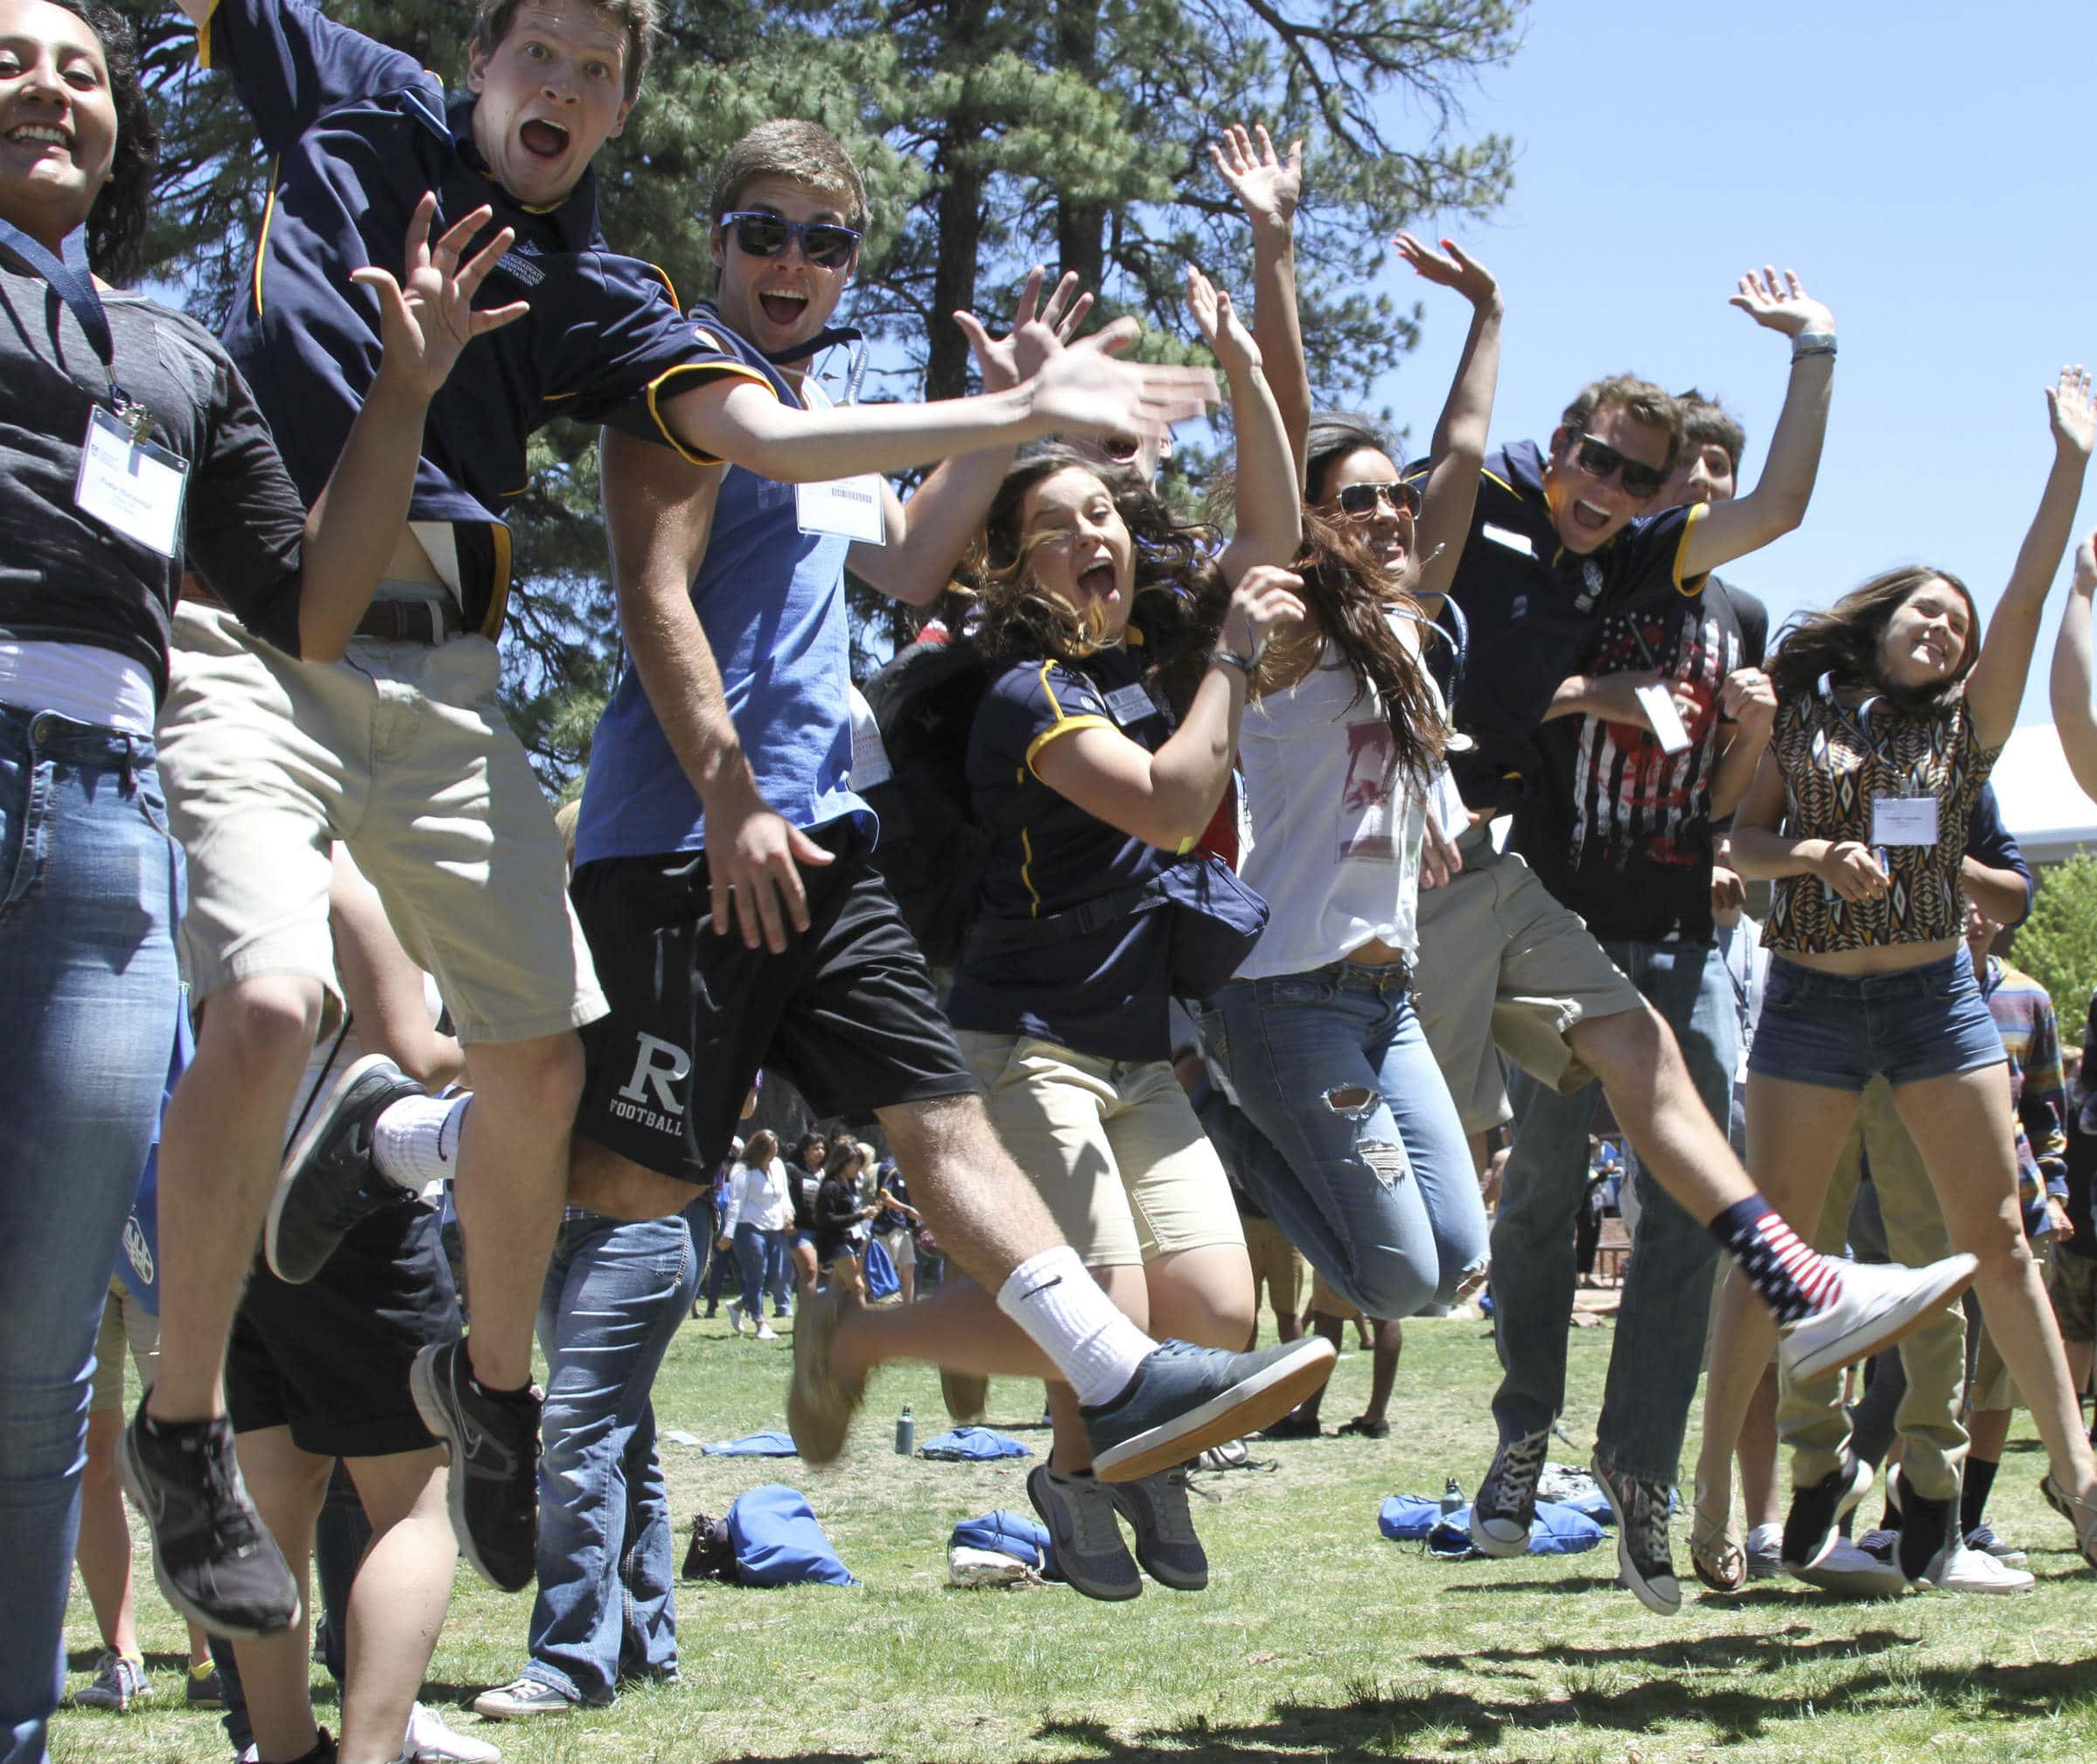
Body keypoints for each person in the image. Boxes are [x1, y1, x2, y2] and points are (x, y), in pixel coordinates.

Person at [141, 0, 1224, 1636]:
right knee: (468, 1096)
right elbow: (657, 589)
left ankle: (1089, 1371)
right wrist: (723, 795)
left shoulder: (608, 304)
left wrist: (1009, 419)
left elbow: (834, 486)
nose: (562, 87)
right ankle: (249, 1341)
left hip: (545, 714)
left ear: (624, 104)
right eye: (542, 52)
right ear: (485, 58)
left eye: (597, 70)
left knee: (696, 1086)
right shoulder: (374, 114)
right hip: (384, 683)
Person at [0, 3, 511, 1752]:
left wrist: (408, 389)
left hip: (96, 837)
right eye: (8, 50)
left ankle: (153, 1476)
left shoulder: (169, 361)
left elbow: (307, 599)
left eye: (82, 63)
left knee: (36, 1359)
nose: (47, 84)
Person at [1379, 270, 1974, 1615]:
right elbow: (1464, 492)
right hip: (1518, 897)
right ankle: (1522, 1428)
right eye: (1602, 459)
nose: (1622, 486)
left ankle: (1639, 1464)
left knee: (1694, 1209)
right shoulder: (1511, 531)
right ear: (1568, 445)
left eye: (1649, 478)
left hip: (1678, 934)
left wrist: (1816, 349)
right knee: (1511, 1212)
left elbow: (1781, 516)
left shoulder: (1686, 583)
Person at [884, 242, 1308, 1598]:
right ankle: (1056, 1465)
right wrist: (1234, 662)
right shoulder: (1022, 696)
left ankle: (1091, 1472)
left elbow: (1268, 539)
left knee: (1220, 1309)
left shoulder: (1145, 662)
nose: (1095, 537)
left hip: (1138, 1045)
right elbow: (1177, 808)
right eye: (1056, 524)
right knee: (1112, 1314)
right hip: (1025, 1042)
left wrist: (1247, 377)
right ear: (1009, 569)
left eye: (1107, 518)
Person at [1700, 364, 2097, 1589]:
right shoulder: (1809, 712)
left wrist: (2070, 464)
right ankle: (1718, 1480)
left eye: (1961, 627)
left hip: (1936, 1004)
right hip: (1810, 1004)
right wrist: (1812, 849)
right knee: (1772, 1245)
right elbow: (1736, 840)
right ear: (1880, 619)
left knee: (1997, 1242)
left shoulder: (1967, 731)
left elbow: (2027, 596)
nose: (1948, 629)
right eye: (1928, 611)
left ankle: (2079, 1486)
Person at [1189, 123, 1498, 1369]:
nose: (1387, 510)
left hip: (1383, 995)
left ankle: (1230, 1115)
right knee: (1391, 1270)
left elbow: (1466, 456)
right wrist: (1275, 241)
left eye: (1394, 494)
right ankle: (1218, 1109)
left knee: (1456, 1262)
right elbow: (1286, 420)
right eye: (1356, 495)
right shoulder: (1293, 626)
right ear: (1311, 518)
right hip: (1285, 994)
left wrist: (1488, 314)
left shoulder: (1406, 626)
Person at [1714, 787, 2037, 1597]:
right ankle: (1820, 1474)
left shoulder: (1947, 757)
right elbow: (1741, 842)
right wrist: (1814, 853)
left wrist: (1941, 862)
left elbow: (2016, 892)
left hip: (1921, 1029)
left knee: (1938, 1263)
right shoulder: (1811, 744)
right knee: (1797, 1263)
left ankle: (1932, 1496)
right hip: (1813, 1022)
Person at [68, 1277, 218, 1714]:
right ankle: (123, 1658)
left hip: (158, 1236)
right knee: (92, 1456)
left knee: (187, 1451)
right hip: (80, 1251)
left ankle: (209, 1662)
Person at [718, 1131, 790, 1341]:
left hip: (774, 1227)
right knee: (756, 1276)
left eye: (774, 1152)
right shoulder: (743, 1169)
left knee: (774, 1276)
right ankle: (760, 1323)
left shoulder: (778, 1166)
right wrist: (728, 1233)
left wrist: (789, 1213)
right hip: (748, 1227)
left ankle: (739, 1304)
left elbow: (783, 1194)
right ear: (758, 1151)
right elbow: (736, 1202)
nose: (772, 1156)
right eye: (768, 1152)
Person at [812, 1134, 875, 1282]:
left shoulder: (850, 1185)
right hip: (833, 1243)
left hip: (849, 1240)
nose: (858, 1168)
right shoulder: (831, 1186)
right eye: (855, 1163)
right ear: (843, 1163)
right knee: (857, 1287)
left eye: (860, 1164)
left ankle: (819, 1305)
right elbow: (828, 1218)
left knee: (840, 1289)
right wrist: (862, 1215)